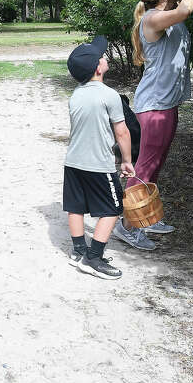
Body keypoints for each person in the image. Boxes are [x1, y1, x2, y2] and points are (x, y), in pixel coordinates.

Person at [112, 0, 193, 251]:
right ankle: (128, 226)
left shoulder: (164, 15)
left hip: (167, 103)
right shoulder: (153, 18)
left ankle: (146, 216)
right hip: (155, 107)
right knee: (143, 169)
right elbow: (186, 10)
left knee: (155, 165)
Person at [64, 36, 135, 280]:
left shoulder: (76, 94)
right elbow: (122, 131)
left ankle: (78, 250)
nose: (105, 57)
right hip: (99, 165)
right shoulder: (110, 95)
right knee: (113, 207)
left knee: (76, 206)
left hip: (73, 162)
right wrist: (126, 160)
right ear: (98, 67)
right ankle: (93, 258)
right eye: (102, 56)